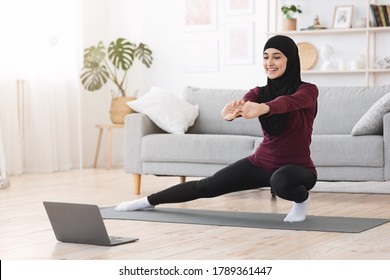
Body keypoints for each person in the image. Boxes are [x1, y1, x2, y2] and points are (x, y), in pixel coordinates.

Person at [115, 35, 318, 222]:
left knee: (280, 181)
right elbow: (245, 103)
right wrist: (232, 111)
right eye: (265, 57)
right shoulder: (259, 92)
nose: (269, 63)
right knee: (207, 186)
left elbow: (288, 103)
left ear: (290, 60)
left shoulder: (308, 91)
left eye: (277, 57)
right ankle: (146, 202)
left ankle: (301, 201)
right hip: (262, 162)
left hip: (298, 169)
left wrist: (264, 108)